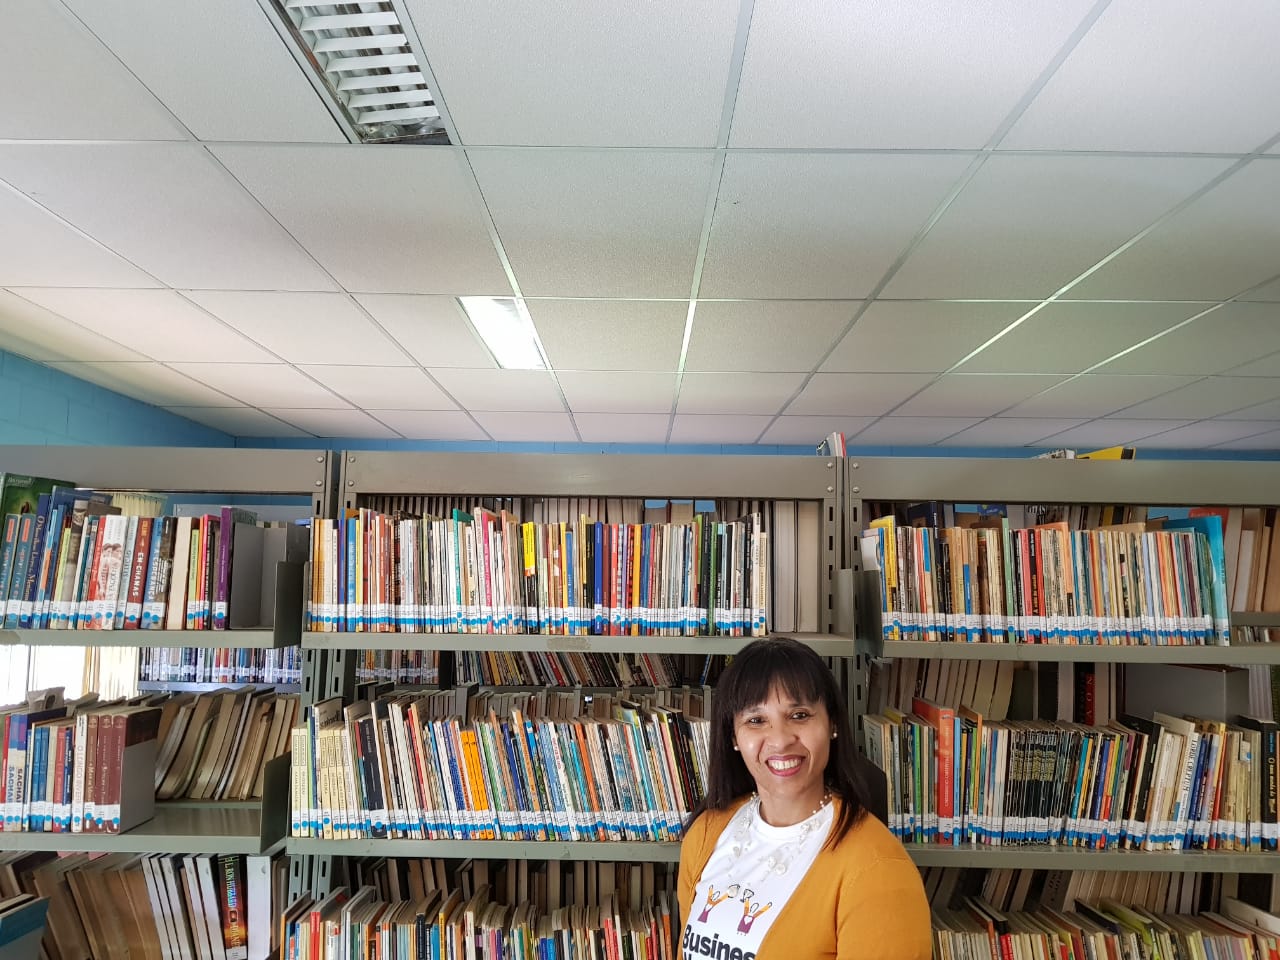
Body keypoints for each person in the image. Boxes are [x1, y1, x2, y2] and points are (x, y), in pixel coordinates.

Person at [678, 637, 930, 960]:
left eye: (799, 715)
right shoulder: (705, 833)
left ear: (832, 724)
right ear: (734, 737)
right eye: (756, 720)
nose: (780, 740)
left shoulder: (878, 870)